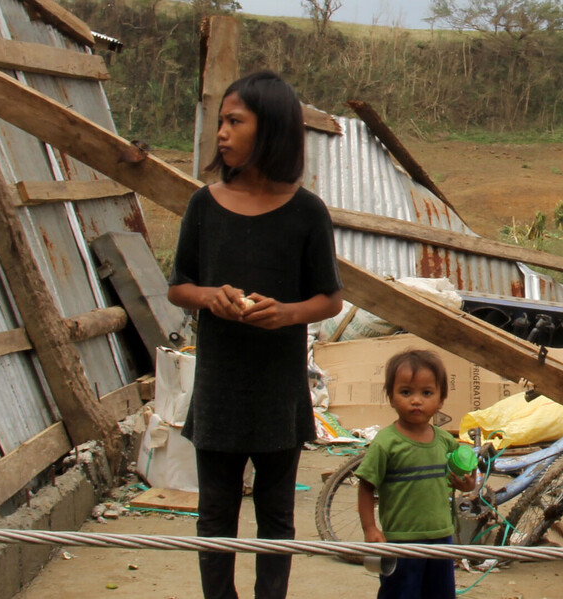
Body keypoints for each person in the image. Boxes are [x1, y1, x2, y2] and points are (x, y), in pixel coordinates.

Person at [166, 70, 344, 599]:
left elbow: (329, 299)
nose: (220, 132)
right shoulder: (204, 205)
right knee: (215, 515)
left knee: (276, 516)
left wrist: (286, 313)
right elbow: (180, 287)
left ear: (270, 130)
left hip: (276, 393)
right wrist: (209, 297)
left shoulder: (307, 212)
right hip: (219, 387)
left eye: (233, 121)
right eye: (221, 121)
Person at [354, 350, 477, 599]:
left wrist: (468, 485)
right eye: (406, 392)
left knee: (440, 593)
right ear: (391, 397)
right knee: (401, 593)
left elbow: (464, 474)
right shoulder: (386, 443)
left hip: (441, 537)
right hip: (401, 541)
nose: (416, 401)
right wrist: (370, 528)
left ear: (441, 399)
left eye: (427, 393)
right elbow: (366, 486)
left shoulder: (445, 442)